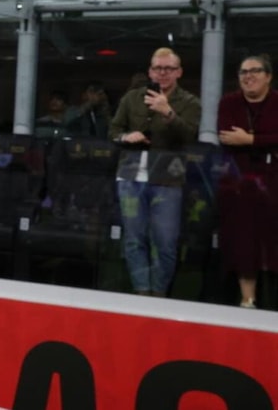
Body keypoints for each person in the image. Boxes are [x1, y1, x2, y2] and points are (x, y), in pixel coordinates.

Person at [109, 48, 202, 296]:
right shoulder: (132, 98)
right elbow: (113, 130)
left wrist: (167, 111)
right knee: (133, 239)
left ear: (179, 72)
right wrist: (126, 136)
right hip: (130, 176)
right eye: (158, 68)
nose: (162, 73)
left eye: (168, 68)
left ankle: (159, 294)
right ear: (150, 71)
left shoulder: (190, 102)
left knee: (166, 242)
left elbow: (189, 136)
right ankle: (142, 292)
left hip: (167, 179)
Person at [217, 55, 278, 309]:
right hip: (238, 184)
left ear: (268, 76)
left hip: (273, 183)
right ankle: (247, 299)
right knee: (244, 241)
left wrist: (250, 139)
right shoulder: (229, 102)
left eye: (255, 71)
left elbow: (242, 139)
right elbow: (226, 137)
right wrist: (266, 141)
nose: (248, 76)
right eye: (243, 72)